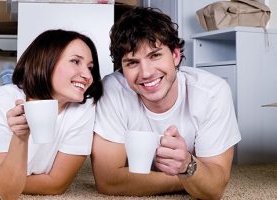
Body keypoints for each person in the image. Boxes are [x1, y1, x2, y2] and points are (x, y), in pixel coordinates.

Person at [91, 6, 241, 199]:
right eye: (132, 62)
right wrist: (188, 176)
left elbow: (215, 189)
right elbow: (108, 181)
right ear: (122, 67)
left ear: (175, 56)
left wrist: (187, 164)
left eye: (155, 55)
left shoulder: (212, 92)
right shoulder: (113, 90)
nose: (146, 73)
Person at [0, 29, 103, 199]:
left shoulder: (85, 108)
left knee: (12, 91)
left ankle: (12, 78)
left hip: (22, 95)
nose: (87, 75)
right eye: (75, 61)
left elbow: (56, 184)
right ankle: (12, 80)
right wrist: (20, 137)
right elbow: (9, 193)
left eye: (90, 67)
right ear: (45, 61)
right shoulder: (1, 100)